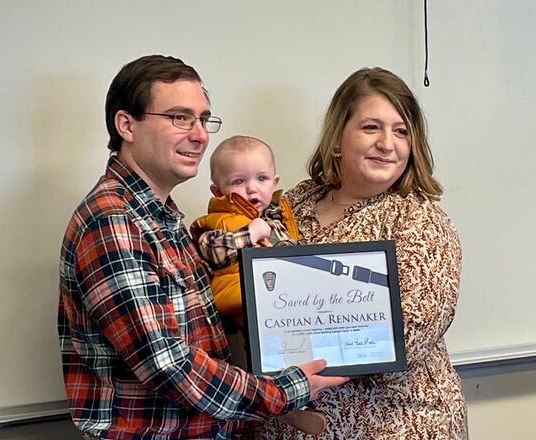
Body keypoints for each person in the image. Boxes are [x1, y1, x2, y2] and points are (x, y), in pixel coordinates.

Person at [57, 55, 347, 440]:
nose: (199, 135)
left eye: (202, 119)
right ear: (126, 125)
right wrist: (282, 391)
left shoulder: (163, 218)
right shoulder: (112, 221)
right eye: (179, 117)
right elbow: (167, 364)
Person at [255, 67, 468, 439]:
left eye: (401, 131)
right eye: (371, 127)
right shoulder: (294, 203)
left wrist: (290, 352)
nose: (387, 143)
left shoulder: (419, 220)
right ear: (338, 138)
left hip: (395, 425)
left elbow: (407, 335)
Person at [189, 136, 326, 436]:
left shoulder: (278, 219)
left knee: (295, 344)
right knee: (254, 353)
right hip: (240, 302)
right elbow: (212, 251)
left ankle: (301, 401)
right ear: (217, 190)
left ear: (274, 182)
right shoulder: (217, 221)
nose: (252, 188)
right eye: (238, 181)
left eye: (261, 179)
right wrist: (248, 235)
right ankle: (268, 401)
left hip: (278, 301)